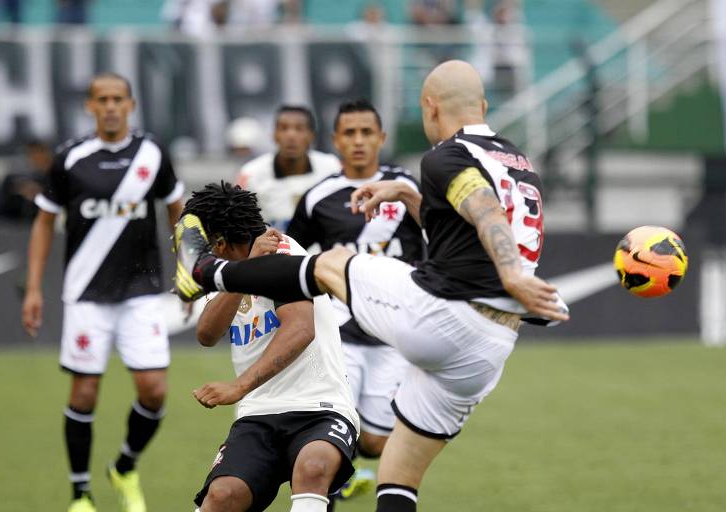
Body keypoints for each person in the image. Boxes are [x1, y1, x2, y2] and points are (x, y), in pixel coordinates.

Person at [173, 60, 569, 511]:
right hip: (491, 342)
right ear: (483, 105)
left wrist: (511, 272)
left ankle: (206, 272)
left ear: (430, 106)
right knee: (397, 473)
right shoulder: (518, 162)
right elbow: (460, 231)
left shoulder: (447, 156)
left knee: (330, 264)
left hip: (439, 316)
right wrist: (410, 197)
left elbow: (484, 211)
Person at [22, 73, 184, 512]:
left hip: (141, 290)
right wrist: (34, 288)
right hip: (86, 293)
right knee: (84, 394)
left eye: (118, 99)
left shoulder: (152, 152)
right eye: (102, 99)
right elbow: (43, 222)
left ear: (131, 104)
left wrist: (189, 268)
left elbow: (176, 210)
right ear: (90, 106)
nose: (111, 106)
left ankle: (124, 467)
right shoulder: (70, 157)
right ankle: (81, 495)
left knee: (154, 390)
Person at [181, 182, 359, 512]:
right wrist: (243, 272)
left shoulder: (283, 252)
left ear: (220, 242)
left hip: (320, 405)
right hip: (258, 412)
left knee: (313, 466)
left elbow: (300, 328)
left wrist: (238, 387)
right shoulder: (227, 268)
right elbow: (206, 333)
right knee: (222, 496)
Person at [286, 99, 422, 502]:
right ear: (335, 141)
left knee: (375, 443)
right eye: (350, 133)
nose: (358, 141)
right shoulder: (319, 197)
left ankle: (344, 472)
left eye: (367, 132)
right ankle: (326, 487)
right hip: (339, 335)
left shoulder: (406, 188)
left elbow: (440, 236)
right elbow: (292, 256)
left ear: (382, 137)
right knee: (328, 439)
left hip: (396, 334)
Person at [236, 105, 340, 231]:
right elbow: (240, 225)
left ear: (311, 136)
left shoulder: (332, 167)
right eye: (283, 128)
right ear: (274, 135)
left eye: (299, 128)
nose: (291, 135)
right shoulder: (250, 174)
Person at [0, 139, 52, 222]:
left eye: (39, 153)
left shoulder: (56, 176)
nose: (35, 158)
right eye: (31, 154)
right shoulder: (14, 178)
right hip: (14, 223)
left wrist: (39, 193)